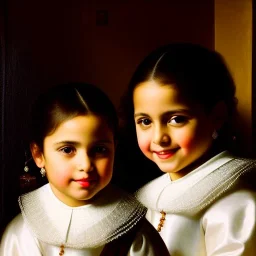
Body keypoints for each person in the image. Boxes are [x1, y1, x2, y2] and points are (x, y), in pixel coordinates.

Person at [117, 43, 256, 255]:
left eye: (176, 119)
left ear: (216, 116)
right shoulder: (147, 196)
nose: (158, 138)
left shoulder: (237, 201)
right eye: (145, 121)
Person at [0, 83, 169, 255]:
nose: (86, 165)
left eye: (99, 150)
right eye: (67, 150)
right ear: (38, 155)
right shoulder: (21, 233)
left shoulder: (136, 235)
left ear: (114, 149)